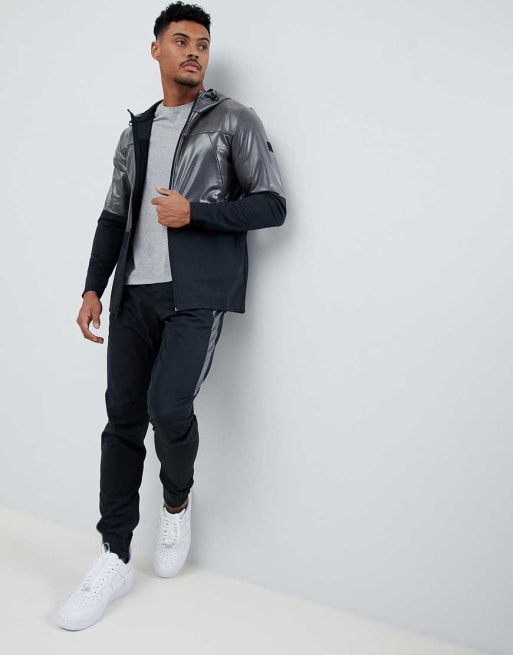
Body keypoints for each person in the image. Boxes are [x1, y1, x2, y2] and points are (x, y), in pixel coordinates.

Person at [56, 1, 286, 631]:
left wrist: (197, 213)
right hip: (134, 295)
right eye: (181, 41)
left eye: (202, 44)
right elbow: (113, 216)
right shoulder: (135, 133)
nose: (193, 52)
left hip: (196, 295)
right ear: (155, 49)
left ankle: (177, 502)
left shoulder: (233, 119)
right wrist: (93, 287)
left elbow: (272, 205)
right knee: (121, 421)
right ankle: (113, 555)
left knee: (167, 406)